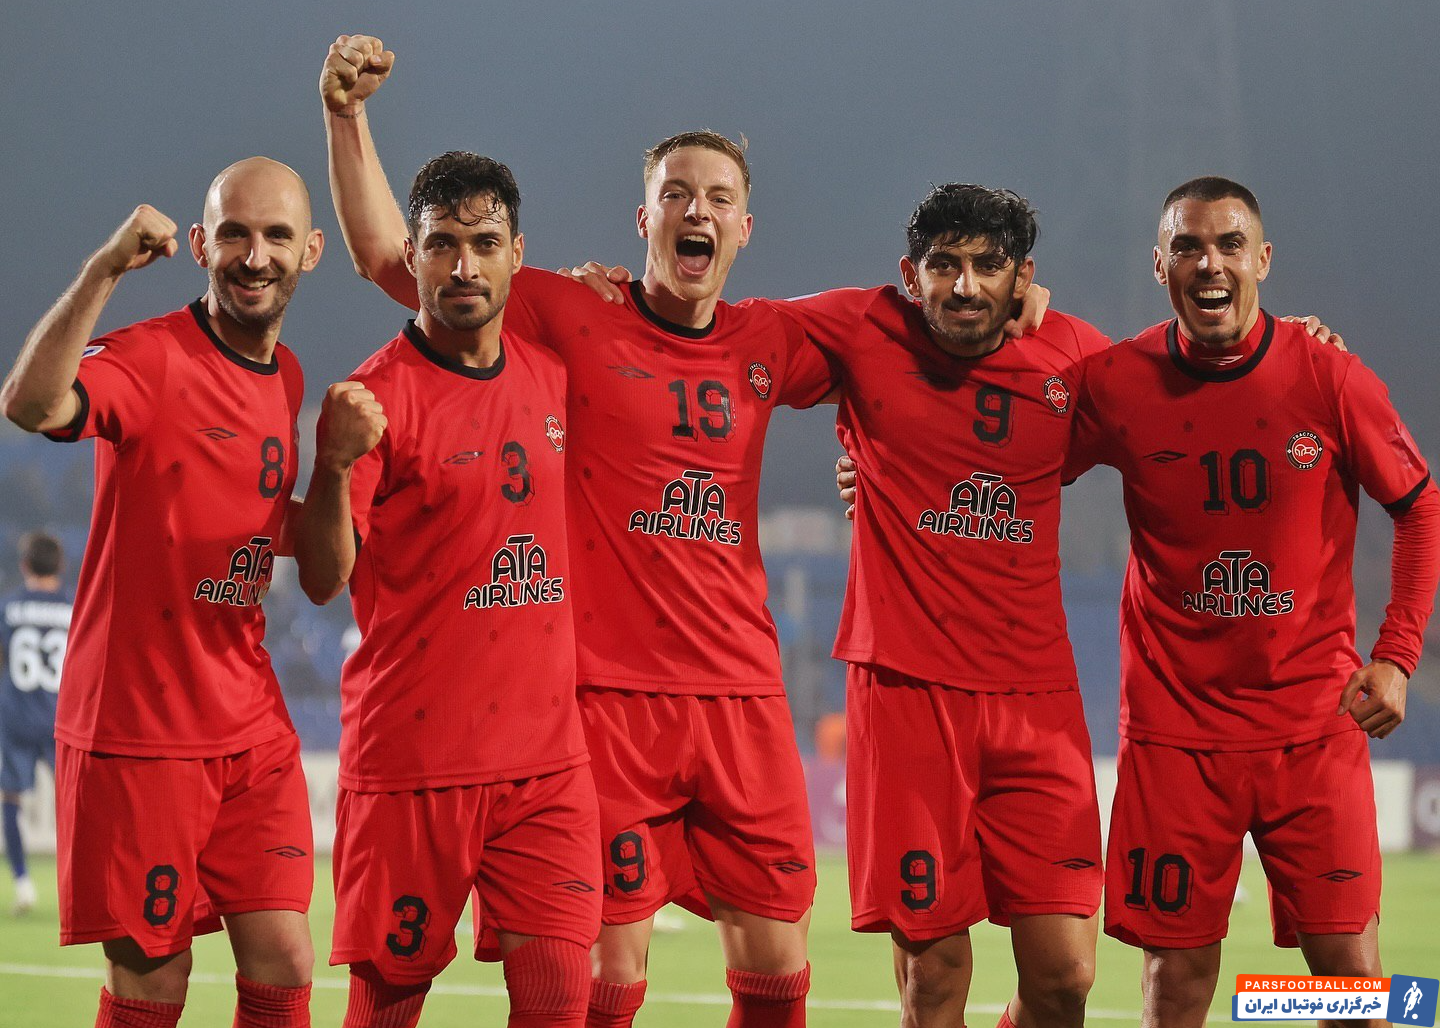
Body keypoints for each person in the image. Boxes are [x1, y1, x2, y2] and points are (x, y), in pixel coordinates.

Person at [1065, 176, 1440, 1028]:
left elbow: (1420, 505)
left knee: (1352, 983)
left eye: (1229, 245)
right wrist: (882, 467)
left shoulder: (1330, 375)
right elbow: (1008, 460)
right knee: (1177, 984)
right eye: (1188, 247)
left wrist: (1396, 655)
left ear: (1262, 260)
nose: (1210, 264)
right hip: (1174, 735)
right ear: (1159, 265)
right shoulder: (1117, 382)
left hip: (1313, 727)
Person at [0, 158, 323, 1028]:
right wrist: (104, 269)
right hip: (139, 728)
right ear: (201, 245)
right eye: (235, 234)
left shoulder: (289, 376)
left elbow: (254, 514)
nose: (255, 256)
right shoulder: (152, 357)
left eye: (277, 236)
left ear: (310, 251)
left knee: (287, 960)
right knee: (154, 980)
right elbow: (30, 404)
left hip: (249, 717)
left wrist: (365, 497)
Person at [295, 151, 600, 1028]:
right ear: (413, 256)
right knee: (386, 1010)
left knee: (560, 1002)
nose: (463, 266)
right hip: (413, 764)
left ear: (517, 255)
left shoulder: (555, 375)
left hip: (546, 765)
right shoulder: (375, 397)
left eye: (484, 244)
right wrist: (332, 465)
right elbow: (322, 578)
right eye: (441, 245)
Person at [0, 531, 71, 916]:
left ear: (24, 564)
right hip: (62, 719)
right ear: (61, 565)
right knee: (73, 803)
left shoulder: (9, 607)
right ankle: (77, 885)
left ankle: (23, 884)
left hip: (16, 716)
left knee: (10, 799)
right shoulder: (74, 607)